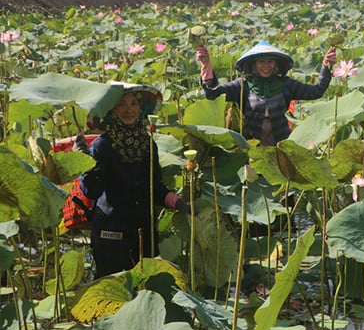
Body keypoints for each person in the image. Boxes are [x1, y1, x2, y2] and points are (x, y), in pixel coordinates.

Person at [80, 84, 187, 278]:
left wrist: (176, 201)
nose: (128, 109)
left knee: (145, 288)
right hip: (111, 232)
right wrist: (84, 162)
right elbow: (91, 191)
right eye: (121, 104)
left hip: (144, 230)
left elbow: (155, 187)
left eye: (133, 104)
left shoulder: (147, 143)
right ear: (111, 110)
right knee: (113, 291)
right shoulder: (101, 146)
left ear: (141, 109)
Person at [196, 40, 337, 146]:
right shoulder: (243, 85)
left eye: (270, 62)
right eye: (261, 62)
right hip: (251, 143)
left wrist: (326, 66)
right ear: (253, 64)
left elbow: (316, 92)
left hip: (281, 142)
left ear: (276, 64)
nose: (266, 66)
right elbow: (213, 94)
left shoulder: (286, 84)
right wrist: (206, 64)